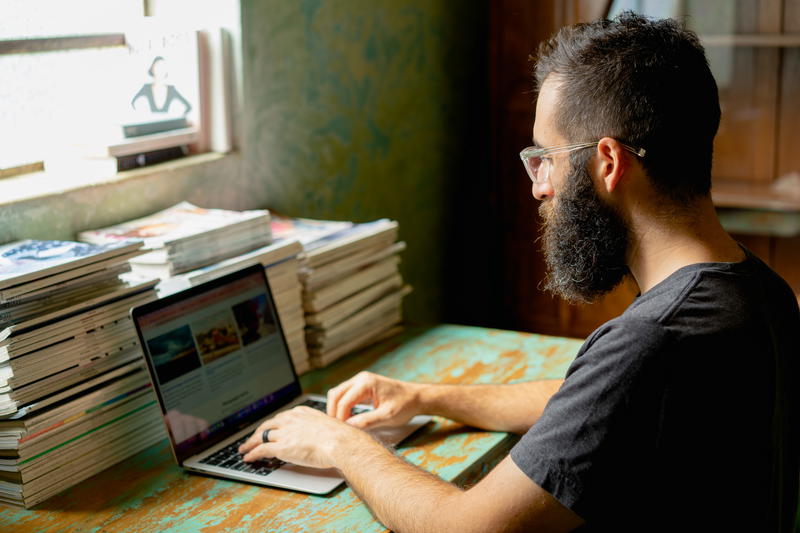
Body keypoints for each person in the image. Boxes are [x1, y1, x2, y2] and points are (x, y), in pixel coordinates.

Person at [239, 12, 799, 532]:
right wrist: (429, 397)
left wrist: (339, 444)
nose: (538, 186)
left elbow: (465, 527)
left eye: (545, 158)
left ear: (608, 162)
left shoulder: (649, 341)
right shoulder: (760, 291)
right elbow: (592, 404)